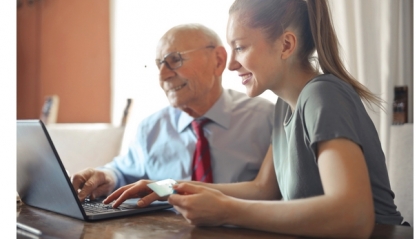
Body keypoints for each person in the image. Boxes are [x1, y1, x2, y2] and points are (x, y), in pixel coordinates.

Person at [103, 0, 405, 239]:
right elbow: (264, 189)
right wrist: (169, 187)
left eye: (241, 47)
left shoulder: (322, 96)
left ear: (286, 45)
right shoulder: (284, 107)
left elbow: (353, 217)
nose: (231, 64)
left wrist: (226, 211)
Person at [71, 23, 274, 202]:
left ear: (218, 61)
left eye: (174, 60)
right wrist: (106, 177)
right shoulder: (151, 128)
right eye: (159, 64)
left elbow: (272, 192)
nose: (163, 75)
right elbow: (123, 172)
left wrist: (167, 188)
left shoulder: (266, 118)